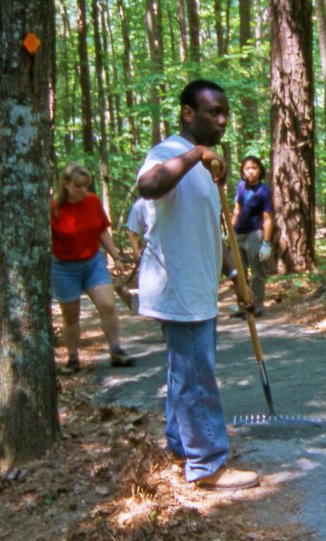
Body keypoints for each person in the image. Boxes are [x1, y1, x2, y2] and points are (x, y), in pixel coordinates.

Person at [136, 79, 259, 491]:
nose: (222, 120)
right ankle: (207, 464)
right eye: (213, 112)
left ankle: (180, 445)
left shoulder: (206, 168)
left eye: (226, 113)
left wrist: (236, 276)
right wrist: (195, 154)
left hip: (199, 287)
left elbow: (211, 231)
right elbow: (148, 186)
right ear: (189, 113)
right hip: (179, 287)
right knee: (195, 374)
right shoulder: (170, 152)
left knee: (182, 372)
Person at [50, 163, 135, 375]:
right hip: (64, 267)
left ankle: (115, 349)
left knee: (107, 305)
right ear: (66, 185)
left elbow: (102, 231)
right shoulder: (54, 208)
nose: (82, 190)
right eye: (78, 186)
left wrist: (115, 256)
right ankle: (73, 358)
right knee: (71, 316)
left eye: (85, 186)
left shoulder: (92, 202)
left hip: (92, 262)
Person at [230, 155, 274, 318]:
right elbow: (237, 209)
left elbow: (268, 218)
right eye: (247, 168)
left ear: (260, 170)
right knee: (240, 273)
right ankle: (243, 305)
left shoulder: (264, 191)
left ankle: (256, 305)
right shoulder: (241, 187)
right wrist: (230, 230)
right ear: (243, 170)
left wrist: (266, 243)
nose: (250, 171)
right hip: (239, 234)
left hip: (254, 234)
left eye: (254, 168)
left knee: (257, 273)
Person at [125, 197, 155, 262]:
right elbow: (132, 232)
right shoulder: (141, 204)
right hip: (151, 259)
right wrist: (137, 253)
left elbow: (132, 233)